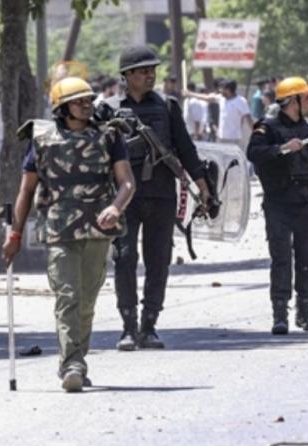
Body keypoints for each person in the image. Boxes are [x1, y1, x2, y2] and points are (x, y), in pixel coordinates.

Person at [3, 77, 135, 392]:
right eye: (79, 102)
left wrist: (116, 207)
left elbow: (127, 182)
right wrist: (15, 234)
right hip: (59, 229)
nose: (87, 106)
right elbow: (26, 190)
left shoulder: (109, 135)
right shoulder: (42, 138)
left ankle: (77, 357)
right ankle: (72, 365)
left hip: (98, 229)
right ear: (62, 108)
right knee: (68, 296)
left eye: (89, 100)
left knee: (86, 301)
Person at [97, 45, 212, 351]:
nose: (150, 75)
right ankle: (128, 326)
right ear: (127, 75)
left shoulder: (167, 107)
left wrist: (203, 185)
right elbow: (95, 154)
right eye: (143, 71)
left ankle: (149, 325)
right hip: (124, 199)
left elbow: (186, 148)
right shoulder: (107, 109)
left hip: (161, 195)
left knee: (158, 260)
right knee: (124, 259)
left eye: (153, 70)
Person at [247, 76, 308, 335]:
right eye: (306, 97)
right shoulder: (267, 127)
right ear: (292, 101)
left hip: (307, 202)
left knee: (306, 259)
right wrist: (283, 149)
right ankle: (280, 314)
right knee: (281, 259)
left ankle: (304, 312)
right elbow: (253, 153)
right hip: (279, 202)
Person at [185, 79, 253, 145]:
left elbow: (248, 118)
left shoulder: (241, 101)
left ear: (228, 89)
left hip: (234, 137)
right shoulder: (221, 98)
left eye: (222, 89)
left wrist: (254, 132)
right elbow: (207, 98)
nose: (220, 90)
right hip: (221, 136)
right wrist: (190, 94)